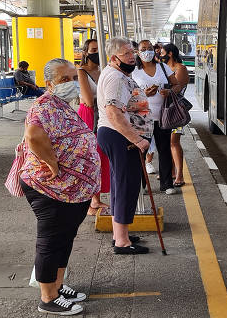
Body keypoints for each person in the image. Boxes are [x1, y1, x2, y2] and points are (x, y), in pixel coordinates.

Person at [20, 58, 99, 316]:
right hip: (49, 188)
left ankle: (58, 285)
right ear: (49, 83)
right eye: (64, 80)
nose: (71, 84)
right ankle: (48, 298)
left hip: (69, 189)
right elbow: (33, 136)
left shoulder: (61, 105)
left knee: (64, 238)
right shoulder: (43, 106)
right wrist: (52, 161)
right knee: (51, 240)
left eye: (73, 78)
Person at [97, 37, 153, 255]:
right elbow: (113, 112)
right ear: (114, 57)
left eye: (132, 52)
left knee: (121, 184)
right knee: (125, 185)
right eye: (127, 54)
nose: (133, 57)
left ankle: (120, 233)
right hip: (121, 138)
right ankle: (121, 241)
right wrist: (137, 139)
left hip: (119, 136)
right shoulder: (116, 79)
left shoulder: (117, 74)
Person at [132, 40, 185, 195]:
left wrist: (170, 92)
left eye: (149, 48)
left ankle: (167, 184)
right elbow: (128, 93)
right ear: (138, 52)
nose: (147, 51)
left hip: (163, 116)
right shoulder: (134, 71)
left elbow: (177, 85)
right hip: (141, 119)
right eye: (143, 49)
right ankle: (141, 185)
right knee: (140, 152)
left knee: (164, 150)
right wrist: (143, 94)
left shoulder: (163, 67)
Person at [76, 39, 111, 215]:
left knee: (102, 157)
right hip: (89, 116)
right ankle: (90, 202)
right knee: (91, 157)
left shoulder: (102, 70)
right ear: (86, 52)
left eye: (99, 49)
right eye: (93, 49)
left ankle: (96, 200)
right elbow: (89, 101)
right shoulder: (81, 71)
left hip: (103, 115)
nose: (97, 53)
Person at [162, 43, 190, 187]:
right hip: (164, 110)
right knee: (167, 143)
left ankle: (180, 175)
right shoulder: (164, 68)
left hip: (176, 111)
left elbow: (177, 88)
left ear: (170, 53)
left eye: (162, 53)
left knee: (174, 142)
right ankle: (171, 172)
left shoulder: (181, 68)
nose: (160, 55)